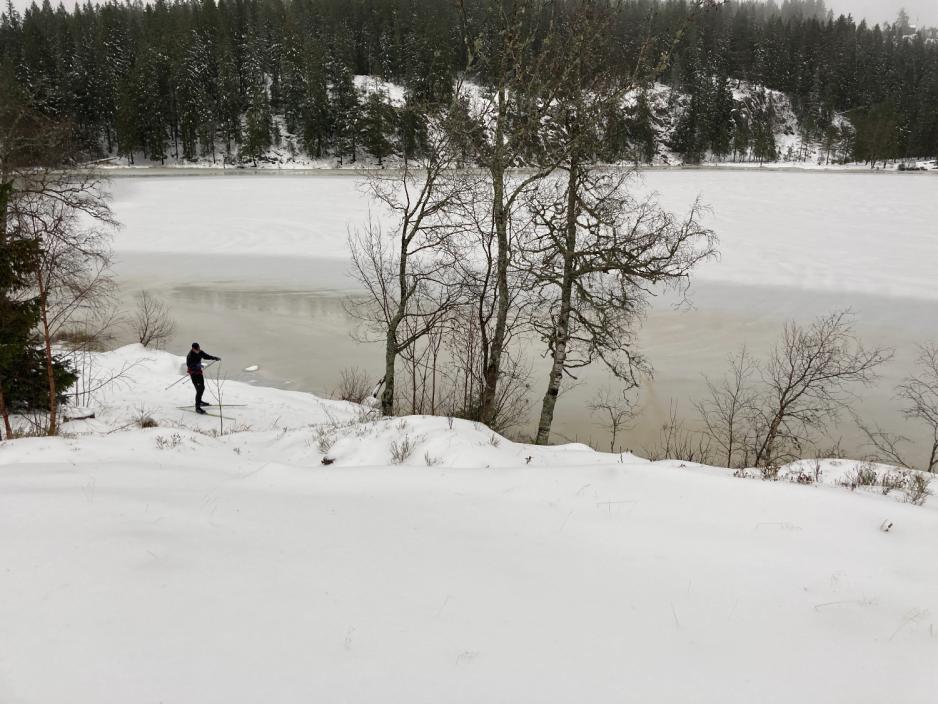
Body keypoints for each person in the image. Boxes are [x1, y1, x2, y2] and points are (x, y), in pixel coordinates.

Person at [186, 342, 220, 414]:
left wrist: (214, 358)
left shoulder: (199, 351)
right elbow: (189, 365)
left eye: (199, 348)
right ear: (193, 349)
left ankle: (200, 401)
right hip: (193, 374)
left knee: (202, 388)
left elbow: (205, 356)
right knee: (199, 389)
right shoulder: (190, 356)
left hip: (199, 373)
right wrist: (197, 366)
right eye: (197, 349)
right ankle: (197, 407)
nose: (198, 350)